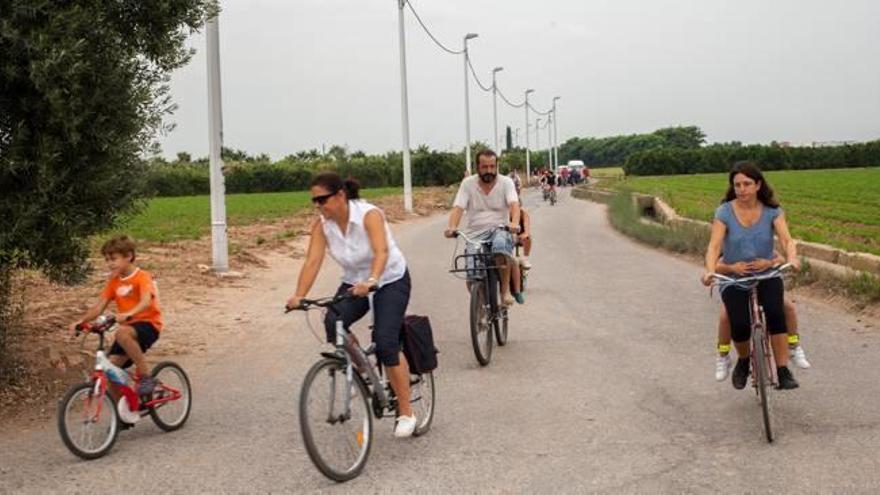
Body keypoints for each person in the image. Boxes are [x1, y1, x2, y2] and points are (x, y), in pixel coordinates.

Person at [286, 173, 417, 438]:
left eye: (323, 199)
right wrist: (298, 295)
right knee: (332, 322)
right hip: (353, 282)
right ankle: (358, 370)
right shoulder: (322, 226)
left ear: (341, 195)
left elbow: (381, 252)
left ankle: (406, 411)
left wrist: (372, 280)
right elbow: (313, 261)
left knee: (385, 340)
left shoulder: (369, 215)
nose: (318, 206)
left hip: (389, 279)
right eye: (314, 201)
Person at [702, 161, 801, 390]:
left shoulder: (772, 211)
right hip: (735, 278)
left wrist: (792, 258)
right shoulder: (724, 212)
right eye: (737, 185)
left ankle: (783, 370)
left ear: (758, 185)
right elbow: (714, 246)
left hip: (767, 273)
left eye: (747, 183)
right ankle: (743, 361)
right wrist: (710, 270)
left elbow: (787, 240)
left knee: (776, 313)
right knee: (739, 323)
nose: (741, 189)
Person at [68, 236, 162, 396]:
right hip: (127, 330)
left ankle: (146, 377)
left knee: (121, 332)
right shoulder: (113, 282)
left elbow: (146, 301)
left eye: (114, 259)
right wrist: (81, 321)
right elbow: (99, 307)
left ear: (129, 256)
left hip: (148, 325)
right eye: (107, 260)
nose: (110, 263)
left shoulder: (142, 276)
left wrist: (129, 314)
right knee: (110, 371)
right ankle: (123, 417)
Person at [713, 254, 811, 381]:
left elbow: (780, 259)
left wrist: (770, 263)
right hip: (736, 284)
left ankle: (793, 346)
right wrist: (732, 268)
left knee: (789, 308)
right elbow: (715, 266)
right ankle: (723, 356)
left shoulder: (761, 242)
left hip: (763, 281)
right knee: (726, 318)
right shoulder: (727, 245)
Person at [444, 149, 522, 305]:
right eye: (485, 167)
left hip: (500, 229)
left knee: (501, 248)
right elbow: (458, 208)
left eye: (492, 167)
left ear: (497, 166)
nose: (489, 171)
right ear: (477, 167)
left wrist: (513, 223)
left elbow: (514, 204)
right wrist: (452, 227)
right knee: (471, 272)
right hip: (475, 234)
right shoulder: (468, 184)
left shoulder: (506, 182)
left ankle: (505, 291)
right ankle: (479, 304)